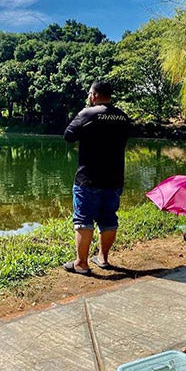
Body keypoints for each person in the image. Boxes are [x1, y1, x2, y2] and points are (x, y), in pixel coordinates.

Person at [63, 81, 130, 275]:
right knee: (108, 218)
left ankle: (81, 263)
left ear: (94, 95)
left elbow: (68, 135)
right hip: (115, 178)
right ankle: (103, 258)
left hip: (88, 178)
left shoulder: (87, 113)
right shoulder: (122, 117)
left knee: (83, 219)